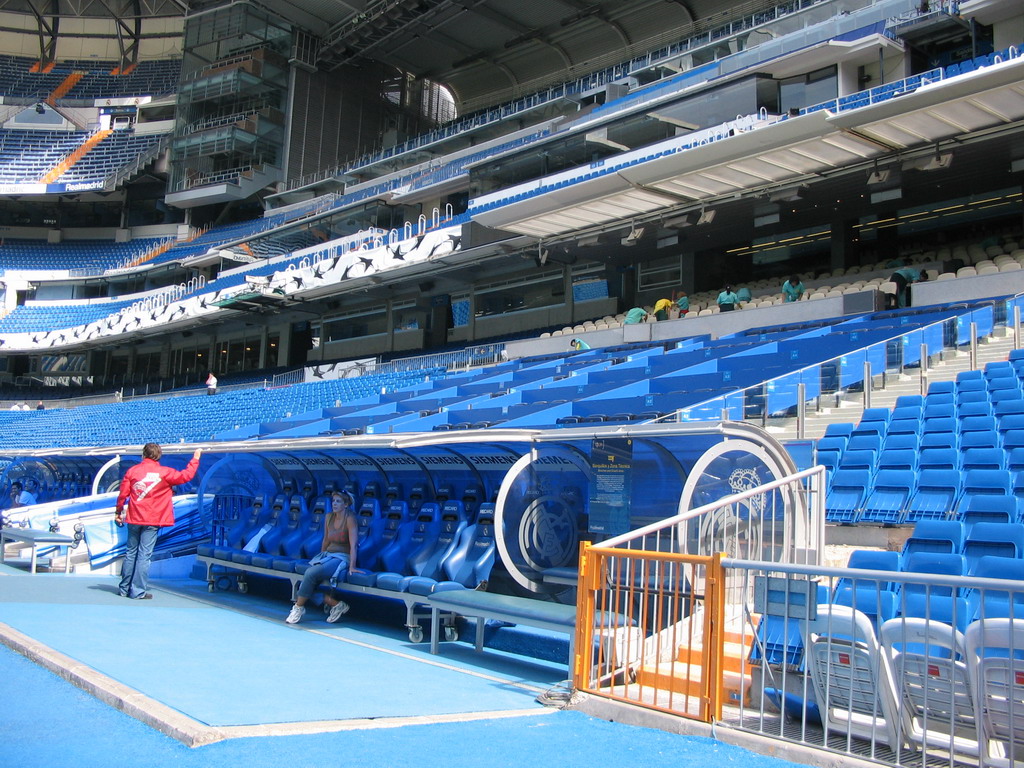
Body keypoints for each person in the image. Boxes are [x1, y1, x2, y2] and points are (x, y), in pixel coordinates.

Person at [115, 443, 201, 600]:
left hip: (134, 518)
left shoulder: (133, 471)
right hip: (153, 519)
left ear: (143, 455)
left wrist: (118, 511)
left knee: (130, 552)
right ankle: (138, 591)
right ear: (159, 456)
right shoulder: (165, 472)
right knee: (144, 555)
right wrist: (195, 459)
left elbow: (122, 495)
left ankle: (123, 588)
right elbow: (186, 476)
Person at [286, 490, 358, 624]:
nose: (334, 504)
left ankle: (298, 607)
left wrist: (352, 566)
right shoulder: (329, 517)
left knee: (310, 574)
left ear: (346, 504)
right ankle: (335, 604)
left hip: (342, 557)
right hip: (328, 555)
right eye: (333, 501)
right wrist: (320, 558)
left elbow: (354, 545)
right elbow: (325, 540)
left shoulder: (350, 519)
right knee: (308, 579)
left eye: (338, 501)